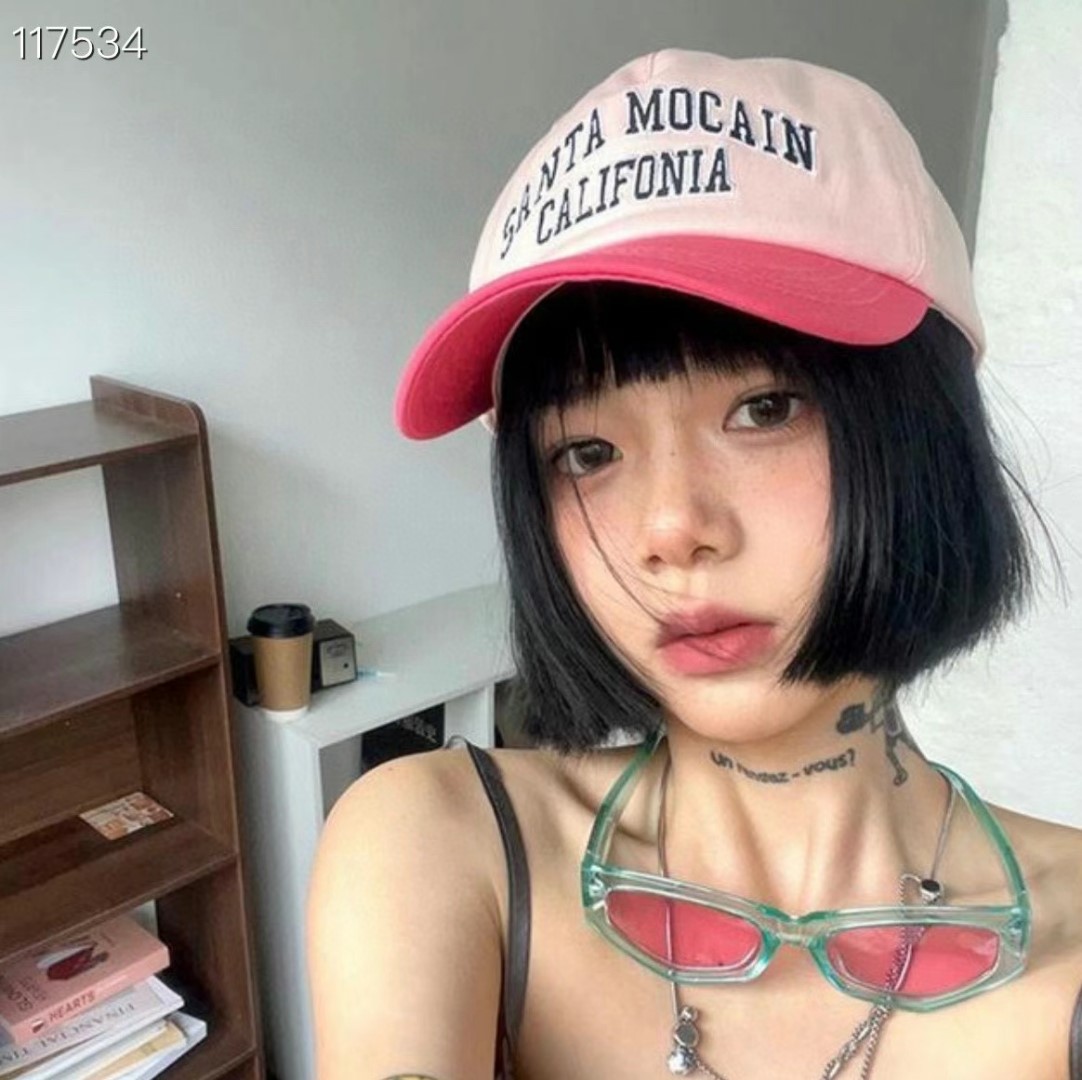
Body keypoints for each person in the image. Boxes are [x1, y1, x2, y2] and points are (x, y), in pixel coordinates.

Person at [307, 49, 1082, 1079]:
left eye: (763, 408)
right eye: (588, 453)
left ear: (924, 427)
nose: (669, 531)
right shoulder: (445, 845)